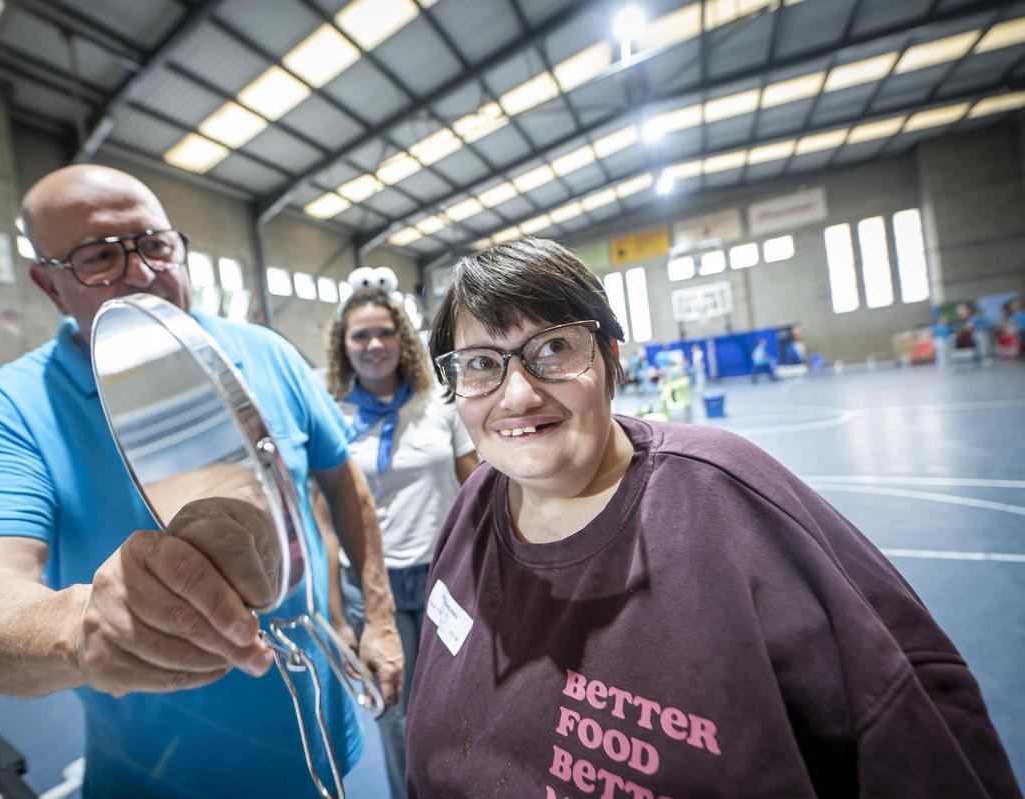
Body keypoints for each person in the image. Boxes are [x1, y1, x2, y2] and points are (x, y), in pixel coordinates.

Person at [405, 238, 1020, 799]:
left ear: (611, 358)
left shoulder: (728, 500)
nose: (518, 395)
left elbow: (911, 715)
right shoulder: (474, 506)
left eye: (555, 348)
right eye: (482, 363)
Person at [0, 165, 403, 799]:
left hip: (322, 739)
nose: (143, 273)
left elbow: (345, 488)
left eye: (155, 245)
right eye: (99, 257)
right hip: (160, 777)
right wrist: (80, 626)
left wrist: (380, 618)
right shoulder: (5, 413)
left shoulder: (268, 354)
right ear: (49, 286)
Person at [321, 284, 479, 799]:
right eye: (360, 335)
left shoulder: (438, 404)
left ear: (402, 339)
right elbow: (324, 523)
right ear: (344, 345)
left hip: (445, 576)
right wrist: (337, 616)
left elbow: (476, 486)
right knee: (396, 715)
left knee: (462, 702)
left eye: (384, 332)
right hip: (370, 587)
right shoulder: (332, 417)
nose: (373, 344)